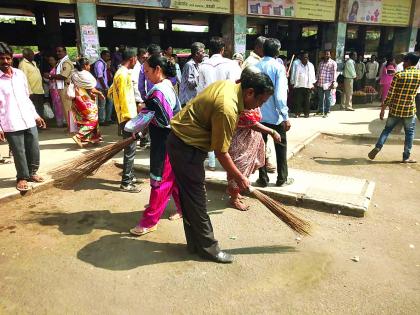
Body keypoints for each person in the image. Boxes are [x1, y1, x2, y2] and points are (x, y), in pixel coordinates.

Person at [167, 67, 274, 263]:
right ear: (249, 92)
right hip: (186, 148)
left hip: (182, 143)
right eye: (260, 101)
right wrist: (240, 178)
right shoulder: (228, 108)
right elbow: (221, 153)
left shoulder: (229, 86)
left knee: (189, 198)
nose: (259, 106)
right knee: (197, 199)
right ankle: (210, 249)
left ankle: (195, 244)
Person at [130, 55, 182, 236]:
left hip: (165, 142)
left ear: (157, 70)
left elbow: (162, 119)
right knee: (172, 178)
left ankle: (150, 221)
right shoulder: (168, 85)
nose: (145, 75)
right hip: (171, 140)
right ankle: (182, 209)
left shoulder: (158, 91)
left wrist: (139, 123)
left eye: (146, 71)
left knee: (160, 181)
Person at [227, 69, 281, 211]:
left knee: (244, 170)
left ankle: (236, 194)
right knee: (237, 171)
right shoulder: (239, 101)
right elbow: (251, 122)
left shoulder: (249, 98)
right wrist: (272, 131)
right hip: (239, 142)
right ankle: (233, 198)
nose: (260, 104)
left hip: (249, 141)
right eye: (261, 101)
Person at [0, 42, 47, 192]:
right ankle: (21, 177)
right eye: (1, 58)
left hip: (28, 118)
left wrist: (35, 115)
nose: (5, 62)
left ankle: (32, 173)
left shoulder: (20, 74)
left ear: (12, 58)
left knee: (34, 148)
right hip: (11, 121)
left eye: (8, 58)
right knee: (19, 151)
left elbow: (26, 98)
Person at [197, 36, 242, 171]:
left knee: (210, 132)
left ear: (210, 50)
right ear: (223, 49)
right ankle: (229, 164)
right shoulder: (231, 64)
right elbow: (237, 84)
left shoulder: (203, 66)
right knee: (228, 133)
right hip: (226, 103)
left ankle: (211, 163)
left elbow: (200, 89)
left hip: (208, 102)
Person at [368, 53, 420, 163]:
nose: (403, 64)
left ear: (409, 62)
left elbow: (390, 95)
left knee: (387, 130)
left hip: (395, 109)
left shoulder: (399, 75)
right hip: (409, 110)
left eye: (405, 61)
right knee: (409, 133)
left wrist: (382, 110)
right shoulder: (419, 75)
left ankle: (378, 146)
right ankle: (406, 157)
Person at [256, 38, 293, 187]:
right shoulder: (278, 67)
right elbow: (279, 95)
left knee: (261, 148)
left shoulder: (256, 66)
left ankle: (263, 178)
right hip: (276, 116)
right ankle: (282, 178)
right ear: (277, 52)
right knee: (281, 147)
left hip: (258, 115)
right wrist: (285, 116)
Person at [108, 50, 141, 192]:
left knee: (130, 149)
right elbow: (125, 98)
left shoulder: (119, 73)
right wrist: (131, 120)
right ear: (133, 59)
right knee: (130, 150)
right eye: (136, 60)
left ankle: (130, 176)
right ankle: (126, 182)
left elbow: (110, 93)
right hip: (128, 118)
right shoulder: (124, 75)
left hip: (124, 116)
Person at [70, 57, 104, 147]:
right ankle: (79, 136)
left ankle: (94, 139)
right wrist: (100, 93)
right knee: (93, 119)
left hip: (77, 100)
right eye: (89, 65)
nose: (90, 66)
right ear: (85, 65)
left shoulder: (74, 73)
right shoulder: (85, 75)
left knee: (85, 119)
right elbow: (91, 88)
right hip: (85, 99)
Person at [44, 46, 74, 125]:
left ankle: (72, 128)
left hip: (66, 87)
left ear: (65, 52)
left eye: (60, 51)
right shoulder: (61, 62)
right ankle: (69, 127)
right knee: (65, 108)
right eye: (57, 51)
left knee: (68, 108)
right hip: (61, 87)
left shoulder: (66, 63)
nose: (58, 53)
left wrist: (50, 76)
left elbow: (64, 76)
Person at [19, 48, 45, 118]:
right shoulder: (23, 64)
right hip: (32, 92)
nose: (33, 56)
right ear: (26, 55)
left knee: (40, 108)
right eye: (31, 54)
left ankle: (42, 124)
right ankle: (36, 126)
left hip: (39, 90)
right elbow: (24, 79)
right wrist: (29, 92)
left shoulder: (34, 62)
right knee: (35, 109)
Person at [179, 42, 205, 107]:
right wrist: (202, 77)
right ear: (196, 54)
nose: (204, 55)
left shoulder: (198, 65)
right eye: (203, 52)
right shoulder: (189, 65)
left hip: (193, 100)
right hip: (187, 101)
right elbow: (190, 84)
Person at [290, 52, 316, 118]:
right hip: (298, 85)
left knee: (307, 101)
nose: (305, 58)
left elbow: (313, 75)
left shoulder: (311, 65)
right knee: (298, 101)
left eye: (307, 57)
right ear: (301, 58)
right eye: (304, 57)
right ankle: (297, 113)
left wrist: (313, 84)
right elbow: (293, 73)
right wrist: (292, 82)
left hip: (308, 86)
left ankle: (306, 113)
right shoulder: (297, 64)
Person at [93, 50, 112, 125]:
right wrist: (104, 88)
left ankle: (107, 118)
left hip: (103, 86)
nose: (108, 57)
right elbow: (100, 77)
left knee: (109, 102)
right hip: (100, 87)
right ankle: (102, 120)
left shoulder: (103, 63)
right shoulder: (100, 64)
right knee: (102, 103)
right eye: (107, 56)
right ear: (103, 55)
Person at [316, 50, 337, 116]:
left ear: (330, 55)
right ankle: (321, 110)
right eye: (325, 54)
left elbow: (334, 73)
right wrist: (315, 81)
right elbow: (318, 72)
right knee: (320, 97)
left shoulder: (333, 63)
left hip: (328, 83)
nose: (326, 55)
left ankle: (327, 110)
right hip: (320, 83)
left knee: (327, 97)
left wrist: (333, 82)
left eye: (328, 54)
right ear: (324, 55)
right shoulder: (321, 63)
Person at [46, 55, 64, 127]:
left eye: (52, 60)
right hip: (53, 89)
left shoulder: (58, 68)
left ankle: (61, 122)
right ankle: (59, 121)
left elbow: (58, 77)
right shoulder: (54, 68)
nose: (50, 61)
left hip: (56, 89)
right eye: (49, 60)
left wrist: (49, 76)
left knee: (58, 105)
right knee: (56, 105)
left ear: (55, 61)